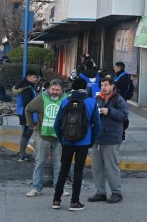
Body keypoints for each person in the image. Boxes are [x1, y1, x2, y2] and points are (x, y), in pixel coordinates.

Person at [52, 77, 101, 212]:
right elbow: (97, 125)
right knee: (78, 171)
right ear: (85, 88)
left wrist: (62, 139)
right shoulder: (91, 102)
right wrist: (92, 140)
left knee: (64, 169)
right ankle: (74, 202)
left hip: (67, 140)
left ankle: (56, 200)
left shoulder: (65, 101)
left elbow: (57, 124)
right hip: (84, 142)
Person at [89, 74, 128, 204]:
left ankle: (117, 193)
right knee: (97, 167)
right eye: (102, 85)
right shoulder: (98, 98)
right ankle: (100, 192)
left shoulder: (118, 99)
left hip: (111, 138)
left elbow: (123, 115)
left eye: (106, 85)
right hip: (97, 138)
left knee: (111, 167)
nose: (103, 87)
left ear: (112, 86)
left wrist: (109, 111)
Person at [24, 79, 66, 197]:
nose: (55, 92)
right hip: (43, 136)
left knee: (59, 164)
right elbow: (28, 109)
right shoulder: (41, 98)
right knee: (39, 163)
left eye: (57, 90)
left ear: (61, 90)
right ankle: (36, 188)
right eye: (53, 89)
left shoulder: (66, 99)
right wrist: (32, 125)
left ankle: (59, 188)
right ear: (48, 89)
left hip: (59, 138)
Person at [13, 70, 40, 161]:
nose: (35, 79)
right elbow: (27, 103)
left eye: (36, 77)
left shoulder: (27, 86)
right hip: (26, 114)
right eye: (34, 77)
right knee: (26, 133)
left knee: (27, 133)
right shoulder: (26, 88)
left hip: (25, 113)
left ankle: (22, 152)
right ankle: (21, 154)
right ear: (28, 77)